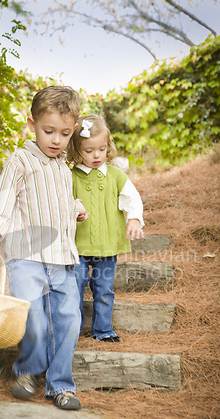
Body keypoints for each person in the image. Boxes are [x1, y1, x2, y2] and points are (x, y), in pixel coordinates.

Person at [0, 86, 88, 410]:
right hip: (26, 256)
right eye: (48, 131)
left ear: (73, 131)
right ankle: (27, 372)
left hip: (62, 259)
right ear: (32, 124)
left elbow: (60, 203)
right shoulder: (21, 161)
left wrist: (76, 208)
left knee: (68, 319)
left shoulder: (62, 168)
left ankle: (61, 385)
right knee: (34, 318)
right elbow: (4, 200)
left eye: (65, 134)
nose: (56, 140)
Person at [67, 114, 144, 342]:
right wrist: (74, 211)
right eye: (89, 151)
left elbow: (133, 199)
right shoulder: (69, 177)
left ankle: (103, 330)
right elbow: (61, 203)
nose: (96, 155)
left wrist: (134, 220)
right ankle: (73, 329)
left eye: (101, 149)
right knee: (74, 288)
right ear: (76, 149)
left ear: (107, 147)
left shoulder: (116, 176)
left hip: (107, 247)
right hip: (77, 247)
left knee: (103, 290)